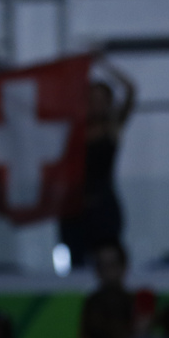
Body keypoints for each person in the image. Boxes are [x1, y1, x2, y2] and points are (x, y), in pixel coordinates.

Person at [59, 59, 136, 268]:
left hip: (103, 206)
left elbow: (130, 90)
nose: (96, 105)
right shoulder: (74, 131)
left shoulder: (111, 129)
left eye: (101, 100)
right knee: (76, 262)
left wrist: (102, 63)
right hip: (74, 209)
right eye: (92, 100)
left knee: (107, 258)